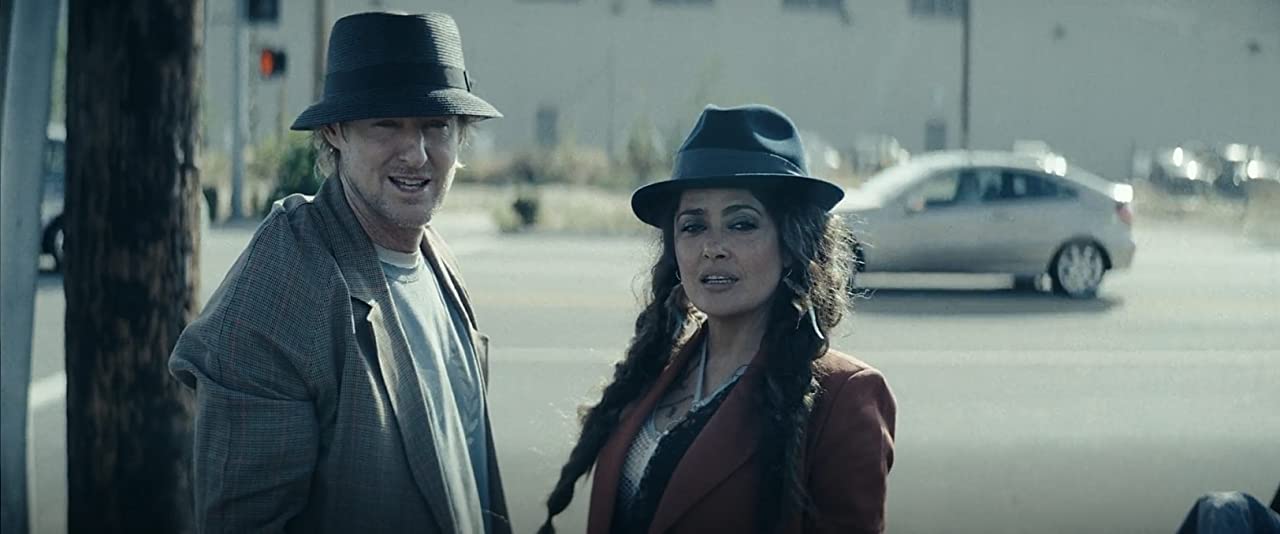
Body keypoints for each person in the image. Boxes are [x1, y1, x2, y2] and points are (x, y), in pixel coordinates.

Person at [169, 12, 510, 533]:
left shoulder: (433, 255)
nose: (417, 153)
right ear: (335, 133)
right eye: (386, 124)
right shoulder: (285, 281)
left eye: (435, 125)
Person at [538, 104, 897, 533]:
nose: (712, 248)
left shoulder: (844, 397)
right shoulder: (651, 372)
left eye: (741, 224)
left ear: (791, 245)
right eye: (693, 226)